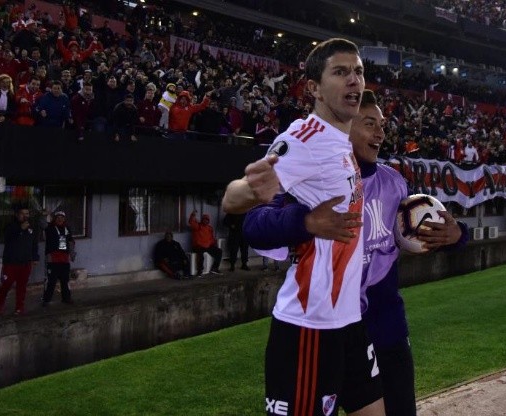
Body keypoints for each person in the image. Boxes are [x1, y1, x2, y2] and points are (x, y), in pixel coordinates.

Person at [244, 89, 468, 416]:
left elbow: (429, 231)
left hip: (386, 329)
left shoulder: (395, 185)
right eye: (369, 123)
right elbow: (255, 225)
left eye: (382, 124)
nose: (380, 132)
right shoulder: (313, 183)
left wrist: (456, 234)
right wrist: (304, 220)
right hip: (325, 331)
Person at [222, 38, 385, 416]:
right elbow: (232, 200)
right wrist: (252, 191)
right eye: (340, 72)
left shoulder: (342, 143)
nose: (353, 81)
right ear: (313, 88)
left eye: (358, 72)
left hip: (349, 321)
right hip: (310, 326)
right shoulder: (304, 138)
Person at [0, 207, 39, 315]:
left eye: (27, 213)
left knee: (22, 287)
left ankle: (19, 308)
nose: (25, 215)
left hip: (25, 264)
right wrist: (20, 229)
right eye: (22, 213)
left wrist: (35, 257)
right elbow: (7, 237)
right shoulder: (11, 226)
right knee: (5, 285)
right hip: (11, 263)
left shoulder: (31, 228)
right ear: (17, 215)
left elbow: (34, 244)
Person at [42, 211, 76, 306]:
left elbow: (70, 241)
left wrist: (72, 254)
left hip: (64, 259)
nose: (60, 219)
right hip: (52, 259)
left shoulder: (67, 229)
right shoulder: (50, 228)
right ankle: (46, 300)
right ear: (54, 219)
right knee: (51, 281)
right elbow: (42, 224)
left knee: (65, 280)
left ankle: (66, 298)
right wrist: (44, 215)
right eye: (58, 217)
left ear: (64, 219)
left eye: (62, 217)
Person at [188, 210, 222, 276]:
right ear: (202, 220)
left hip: (208, 246)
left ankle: (214, 268)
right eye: (204, 219)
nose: (206, 221)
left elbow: (211, 238)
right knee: (201, 256)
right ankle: (199, 271)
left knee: (219, 251)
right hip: (198, 246)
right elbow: (191, 222)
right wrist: (193, 215)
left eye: (207, 220)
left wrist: (214, 243)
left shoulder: (210, 228)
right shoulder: (198, 226)